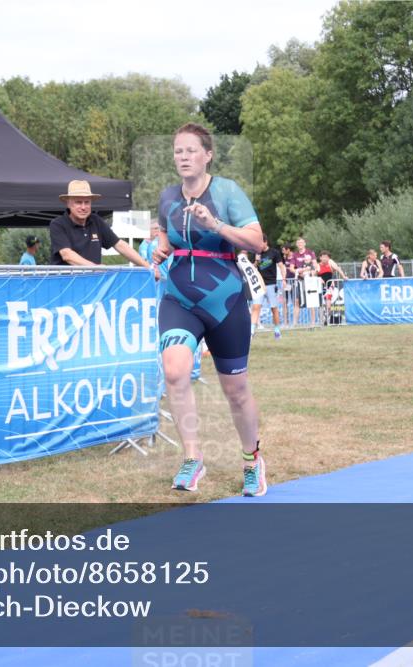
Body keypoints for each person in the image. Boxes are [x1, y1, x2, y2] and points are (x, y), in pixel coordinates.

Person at [151, 122, 267, 497]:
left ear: (208, 155)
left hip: (224, 301)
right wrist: (162, 248)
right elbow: (166, 233)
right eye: (178, 151)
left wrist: (214, 223)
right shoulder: (168, 196)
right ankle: (192, 458)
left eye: (191, 150)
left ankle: (252, 460)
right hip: (179, 298)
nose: (183, 157)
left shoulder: (227, 192)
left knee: (236, 390)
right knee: (174, 371)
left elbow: (257, 241)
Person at [49, 180, 148, 267]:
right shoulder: (58, 224)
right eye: (78, 202)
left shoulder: (96, 221)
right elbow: (67, 255)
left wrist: (148, 267)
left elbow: (120, 245)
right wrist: (95, 268)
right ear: (68, 204)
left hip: (93, 280)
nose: (83, 207)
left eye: (87, 202)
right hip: (66, 281)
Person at [253, 234, 285, 339]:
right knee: (256, 307)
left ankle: (277, 330)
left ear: (265, 242)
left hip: (271, 284)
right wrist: (256, 261)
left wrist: (284, 279)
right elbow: (252, 268)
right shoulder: (256, 253)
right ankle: (251, 331)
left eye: (260, 242)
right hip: (259, 285)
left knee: (273, 308)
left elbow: (281, 266)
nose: (258, 245)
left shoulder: (274, 252)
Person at [288, 238, 317, 325]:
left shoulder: (310, 252)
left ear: (304, 243)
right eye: (298, 243)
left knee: (311, 301)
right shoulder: (295, 255)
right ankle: (295, 323)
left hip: (309, 281)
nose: (300, 244)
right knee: (297, 301)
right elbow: (291, 268)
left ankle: (313, 323)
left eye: (301, 242)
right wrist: (299, 272)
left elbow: (315, 266)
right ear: (297, 244)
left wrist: (311, 273)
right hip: (299, 281)